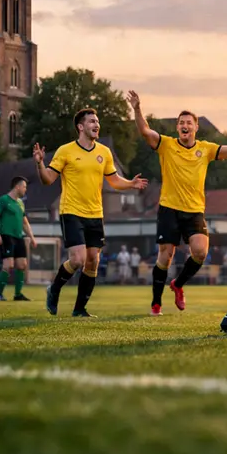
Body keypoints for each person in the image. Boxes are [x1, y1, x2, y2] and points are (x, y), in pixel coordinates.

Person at [126, 91, 227, 316]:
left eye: (189, 122)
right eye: (181, 122)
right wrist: (137, 108)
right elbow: (144, 131)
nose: (184, 125)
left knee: (200, 252)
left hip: (194, 211)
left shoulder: (206, 149)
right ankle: (156, 303)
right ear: (177, 128)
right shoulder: (167, 145)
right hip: (169, 208)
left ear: (196, 127)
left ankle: (178, 284)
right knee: (166, 255)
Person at [34, 108, 149, 317]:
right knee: (77, 259)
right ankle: (54, 289)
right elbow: (48, 179)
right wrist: (40, 163)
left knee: (93, 261)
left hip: (95, 214)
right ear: (80, 126)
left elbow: (114, 180)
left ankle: (79, 310)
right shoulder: (65, 151)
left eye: (97, 121)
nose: (96, 125)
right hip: (71, 211)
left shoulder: (104, 152)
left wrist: (130, 183)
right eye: (91, 121)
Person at [0, 175, 38, 301]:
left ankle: (18, 294)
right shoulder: (4, 200)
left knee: (22, 264)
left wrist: (32, 237)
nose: (25, 190)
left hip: (18, 237)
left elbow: (25, 222)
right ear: (17, 187)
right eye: (24, 187)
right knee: (8, 265)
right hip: (6, 236)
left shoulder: (21, 203)